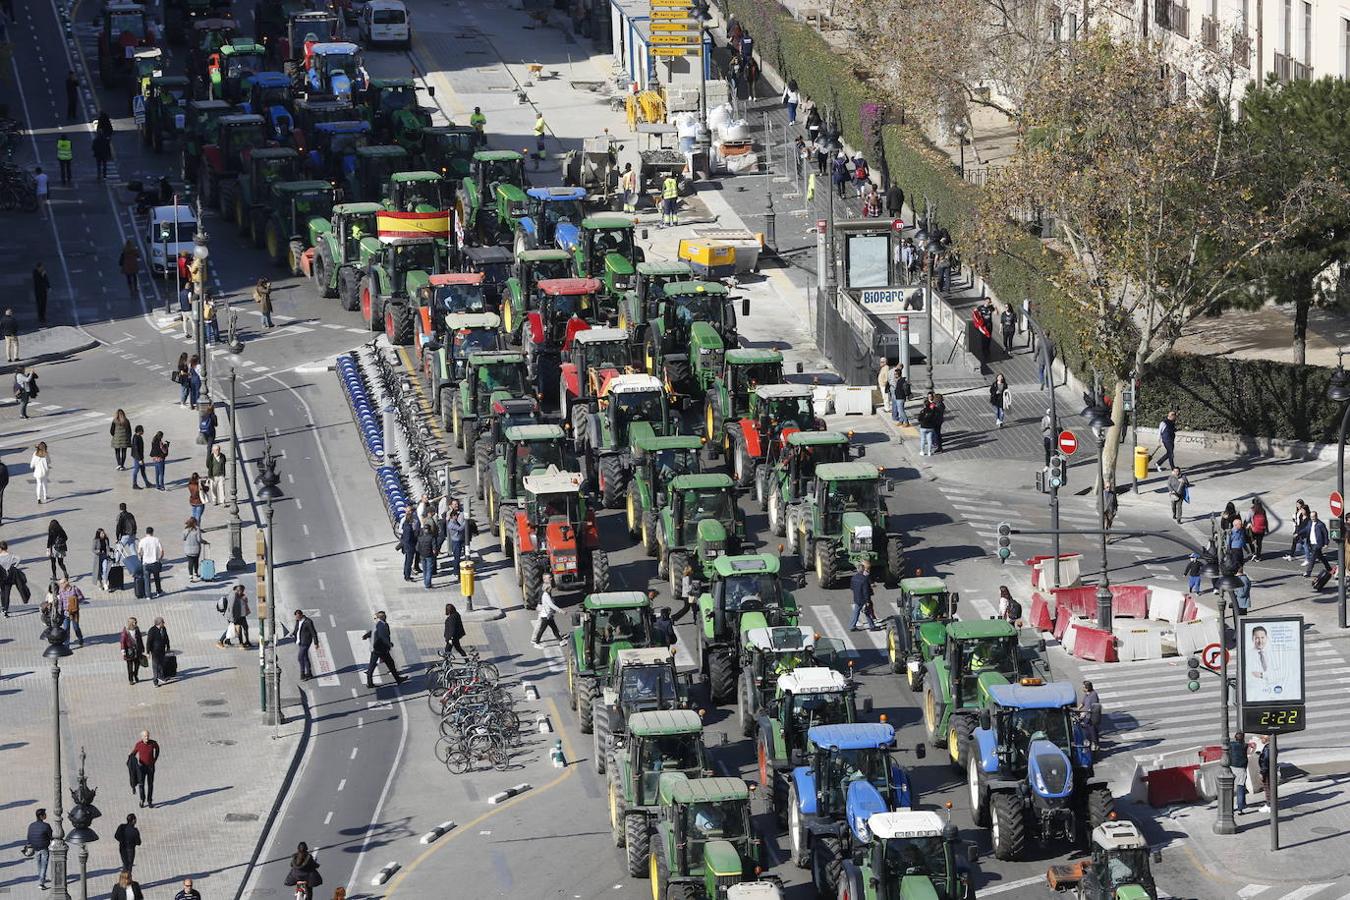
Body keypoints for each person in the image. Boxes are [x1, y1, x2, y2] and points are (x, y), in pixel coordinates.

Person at [363, 610, 407, 687]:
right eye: (385, 615)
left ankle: (369, 683)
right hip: (381, 649)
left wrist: (366, 636)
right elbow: (383, 637)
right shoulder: (382, 625)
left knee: (372, 665)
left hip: (376, 648)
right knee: (390, 664)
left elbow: (373, 632)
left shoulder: (379, 624)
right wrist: (389, 644)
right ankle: (398, 679)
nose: (386, 616)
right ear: (383, 617)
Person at [531, 578, 562, 647]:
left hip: (548, 615)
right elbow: (551, 605)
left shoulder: (546, 594)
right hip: (546, 616)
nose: (551, 589)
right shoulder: (546, 596)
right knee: (542, 629)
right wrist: (561, 611)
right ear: (547, 589)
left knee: (554, 628)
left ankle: (561, 640)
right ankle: (536, 642)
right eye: (550, 588)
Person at [26, 808, 53, 889]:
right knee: (44, 865)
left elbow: (29, 836)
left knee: (39, 864)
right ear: (41, 816)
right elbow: (51, 836)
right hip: (44, 848)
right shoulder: (46, 826)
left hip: (35, 848)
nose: (46, 815)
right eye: (45, 814)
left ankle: (41, 877)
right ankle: (41, 883)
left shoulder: (31, 825)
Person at [849, 561, 877, 631]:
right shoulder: (864, 579)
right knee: (867, 612)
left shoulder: (853, 578)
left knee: (856, 612)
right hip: (863, 599)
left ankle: (852, 626)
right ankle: (872, 627)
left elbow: (852, 588)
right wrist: (867, 601)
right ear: (863, 570)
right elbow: (865, 592)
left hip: (856, 598)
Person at [137, 527, 164, 598]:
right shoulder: (156, 540)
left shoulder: (142, 541)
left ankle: (148, 595)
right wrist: (160, 559)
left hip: (146, 563)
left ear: (146, 532)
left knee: (147, 580)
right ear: (152, 532)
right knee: (157, 578)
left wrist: (142, 557)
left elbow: (139, 552)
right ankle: (159, 591)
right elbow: (162, 551)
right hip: (155, 562)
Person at [1229, 732, 1251, 813]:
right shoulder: (1244, 746)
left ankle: (1230, 807)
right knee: (1240, 787)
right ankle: (1240, 808)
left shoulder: (1231, 745)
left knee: (1230, 788)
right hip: (1241, 768)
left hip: (1232, 767)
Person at [1078, 680, 1102, 756]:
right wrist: (1078, 708)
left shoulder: (1093, 695)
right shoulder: (1087, 694)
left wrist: (1084, 713)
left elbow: (1092, 708)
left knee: (1093, 733)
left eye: (1083, 687)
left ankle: (1095, 747)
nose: (1082, 688)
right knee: (1086, 732)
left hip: (1092, 718)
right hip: (1086, 717)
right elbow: (1083, 703)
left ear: (1087, 688)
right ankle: (1089, 744)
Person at [1304, 511, 1331, 578]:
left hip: (1318, 544)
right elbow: (1306, 529)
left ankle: (1308, 572)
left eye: (1313, 517)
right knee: (1320, 556)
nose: (1312, 518)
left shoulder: (1320, 524)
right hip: (1311, 543)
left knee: (1312, 558)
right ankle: (1329, 568)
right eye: (1311, 517)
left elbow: (1325, 533)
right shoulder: (1310, 522)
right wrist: (1298, 533)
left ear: (1316, 516)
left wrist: (1326, 543)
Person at [58, 577, 84, 646]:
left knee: (76, 627)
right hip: (65, 612)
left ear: (66, 583)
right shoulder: (61, 591)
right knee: (66, 628)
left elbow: (82, 597)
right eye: (60, 584)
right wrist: (60, 611)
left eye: (61, 583)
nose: (60, 585)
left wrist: (75, 600)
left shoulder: (74, 589)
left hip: (74, 612)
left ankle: (80, 638)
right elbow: (60, 602)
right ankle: (67, 644)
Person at [445, 500, 466, 580]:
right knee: (457, 557)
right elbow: (459, 528)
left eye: (457, 504)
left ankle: (460, 570)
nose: (456, 505)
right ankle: (456, 572)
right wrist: (465, 522)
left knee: (463, 555)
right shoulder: (450, 517)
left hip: (462, 537)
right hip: (456, 539)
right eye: (454, 504)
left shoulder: (461, 513)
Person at [295, 608, 318, 680]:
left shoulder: (308, 622)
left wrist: (316, 643)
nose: (297, 618)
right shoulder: (298, 621)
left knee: (300, 658)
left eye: (298, 616)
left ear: (301, 615)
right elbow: (297, 629)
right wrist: (292, 634)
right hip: (300, 641)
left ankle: (302, 674)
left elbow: (313, 632)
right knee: (305, 657)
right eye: (296, 616)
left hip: (306, 642)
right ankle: (309, 673)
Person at [121, 617, 145, 685]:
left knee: (137, 665)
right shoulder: (125, 630)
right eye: (134, 622)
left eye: (136, 622)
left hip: (137, 649)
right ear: (130, 623)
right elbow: (122, 641)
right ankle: (130, 679)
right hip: (129, 650)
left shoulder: (137, 628)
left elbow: (140, 638)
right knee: (130, 666)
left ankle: (135, 674)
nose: (136, 623)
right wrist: (123, 650)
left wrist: (142, 647)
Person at [416, 516, 437, 588]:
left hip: (422, 555)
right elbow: (434, 548)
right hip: (429, 555)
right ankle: (428, 584)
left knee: (424, 570)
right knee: (429, 570)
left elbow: (417, 548)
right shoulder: (431, 537)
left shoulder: (420, 538)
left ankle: (425, 582)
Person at [397, 507, 418, 582]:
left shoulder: (406, 525)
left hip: (407, 546)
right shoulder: (409, 528)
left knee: (407, 561)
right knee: (409, 561)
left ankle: (406, 574)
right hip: (409, 547)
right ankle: (407, 576)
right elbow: (409, 538)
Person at [182, 517, 206, 582]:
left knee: (190, 562)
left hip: (187, 549)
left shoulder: (185, 530)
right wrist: (204, 542)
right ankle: (195, 573)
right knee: (196, 561)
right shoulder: (197, 529)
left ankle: (190, 575)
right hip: (196, 549)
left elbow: (183, 538)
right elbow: (199, 540)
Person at [130, 425, 151, 489]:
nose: (143, 431)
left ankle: (147, 483)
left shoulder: (139, 436)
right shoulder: (136, 438)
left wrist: (142, 458)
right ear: (139, 431)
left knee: (143, 470)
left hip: (140, 457)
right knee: (136, 470)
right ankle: (134, 484)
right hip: (137, 457)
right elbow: (136, 449)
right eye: (142, 430)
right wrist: (139, 459)